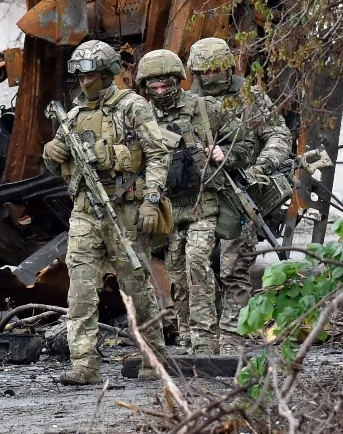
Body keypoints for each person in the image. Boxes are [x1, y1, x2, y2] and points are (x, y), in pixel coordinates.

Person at [41, 40, 171, 384]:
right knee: (80, 289)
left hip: (125, 207)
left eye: (92, 74)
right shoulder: (71, 116)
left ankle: (153, 356)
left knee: (135, 286)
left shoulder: (132, 107)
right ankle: (84, 364)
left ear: (108, 73)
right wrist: (52, 154)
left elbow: (158, 154)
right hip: (85, 210)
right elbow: (60, 169)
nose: (85, 82)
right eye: (80, 75)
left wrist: (151, 199)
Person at [135, 49, 253, 355]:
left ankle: (204, 337)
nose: (160, 93)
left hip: (205, 201)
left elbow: (246, 141)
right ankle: (186, 332)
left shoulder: (204, 108)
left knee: (198, 260)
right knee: (176, 271)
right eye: (154, 88)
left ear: (178, 80)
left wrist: (225, 154)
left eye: (166, 86)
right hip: (171, 208)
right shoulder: (143, 116)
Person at [187, 37, 292, 354]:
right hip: (201, 195)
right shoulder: (187, 102)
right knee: (196, 265)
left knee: (234, 268)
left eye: (217, 69)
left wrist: (265, 164)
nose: (211, 76)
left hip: (242, 190)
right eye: (204, 71)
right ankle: (201, 338)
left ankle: (234, 338)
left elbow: (278, 133)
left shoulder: (249, 96)